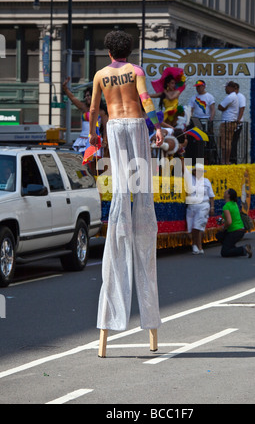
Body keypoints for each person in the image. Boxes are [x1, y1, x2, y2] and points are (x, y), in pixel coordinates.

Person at [89, 30, 163, 336]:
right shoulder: (136, 72)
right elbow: (145, 100)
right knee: (141, 188)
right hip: (133, 124)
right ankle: (140, 223)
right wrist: (156, 127)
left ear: (108, 51)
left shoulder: (101, 75)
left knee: (121, 188)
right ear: (130, 51)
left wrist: (94, 134)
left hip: (114, 126)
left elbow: (94, 109)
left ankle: (120, 228)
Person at [62, 77, 108, 156]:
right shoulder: (84, 108)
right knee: (82, 162)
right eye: (86, 96)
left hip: (95, 140)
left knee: (94, 164)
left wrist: (105, 141)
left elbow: (105, 128)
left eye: (89, 95)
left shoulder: (102, 111)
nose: (87, 97)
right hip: (82, 140)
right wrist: (65, 88)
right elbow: (73, 98)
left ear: (94, 96)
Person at [183, 161, 215, 255]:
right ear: (194, 172)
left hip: (203, 205)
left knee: (197, 226)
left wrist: (212, 207)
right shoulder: (190, 179)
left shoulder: (206, 181)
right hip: (192, 206)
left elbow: (211, 196)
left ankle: (198, 245)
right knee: (192, 227)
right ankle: (195, 245)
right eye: (197, 171)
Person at [216, 188, 252, 258]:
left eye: (226, 191)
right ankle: (232, 247)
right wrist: (223, 222)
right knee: (219, 235)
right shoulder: (234, 204)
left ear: (228, 195)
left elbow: (229, 222)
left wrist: (223, 228)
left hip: (235, 231)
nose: (224, 192)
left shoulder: (226, 206)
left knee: (224, 252)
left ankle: (243, 249)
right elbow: (232, 218)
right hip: (240, 229)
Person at [218, 81, 239, 164]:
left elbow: (220, 107)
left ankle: (224, 161)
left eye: (226, 87)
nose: (225, 89)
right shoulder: (235, 97)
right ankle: (226, 160)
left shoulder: (230, 97)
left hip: (227, 122)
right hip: (232, 121)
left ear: (230, 88)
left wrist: (223, 108)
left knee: (224, 143)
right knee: (228, 142)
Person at [229, 82, 245, 164]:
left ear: (237, 89)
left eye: (234, 88)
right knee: (230, 141)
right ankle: (231, 158)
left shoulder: (240, 96)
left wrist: (238, 120)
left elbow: (242, 108)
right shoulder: (232, 97)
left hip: (237, 123)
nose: (233, 90)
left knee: (234, 141)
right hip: (231, 122)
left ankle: (233, 159)